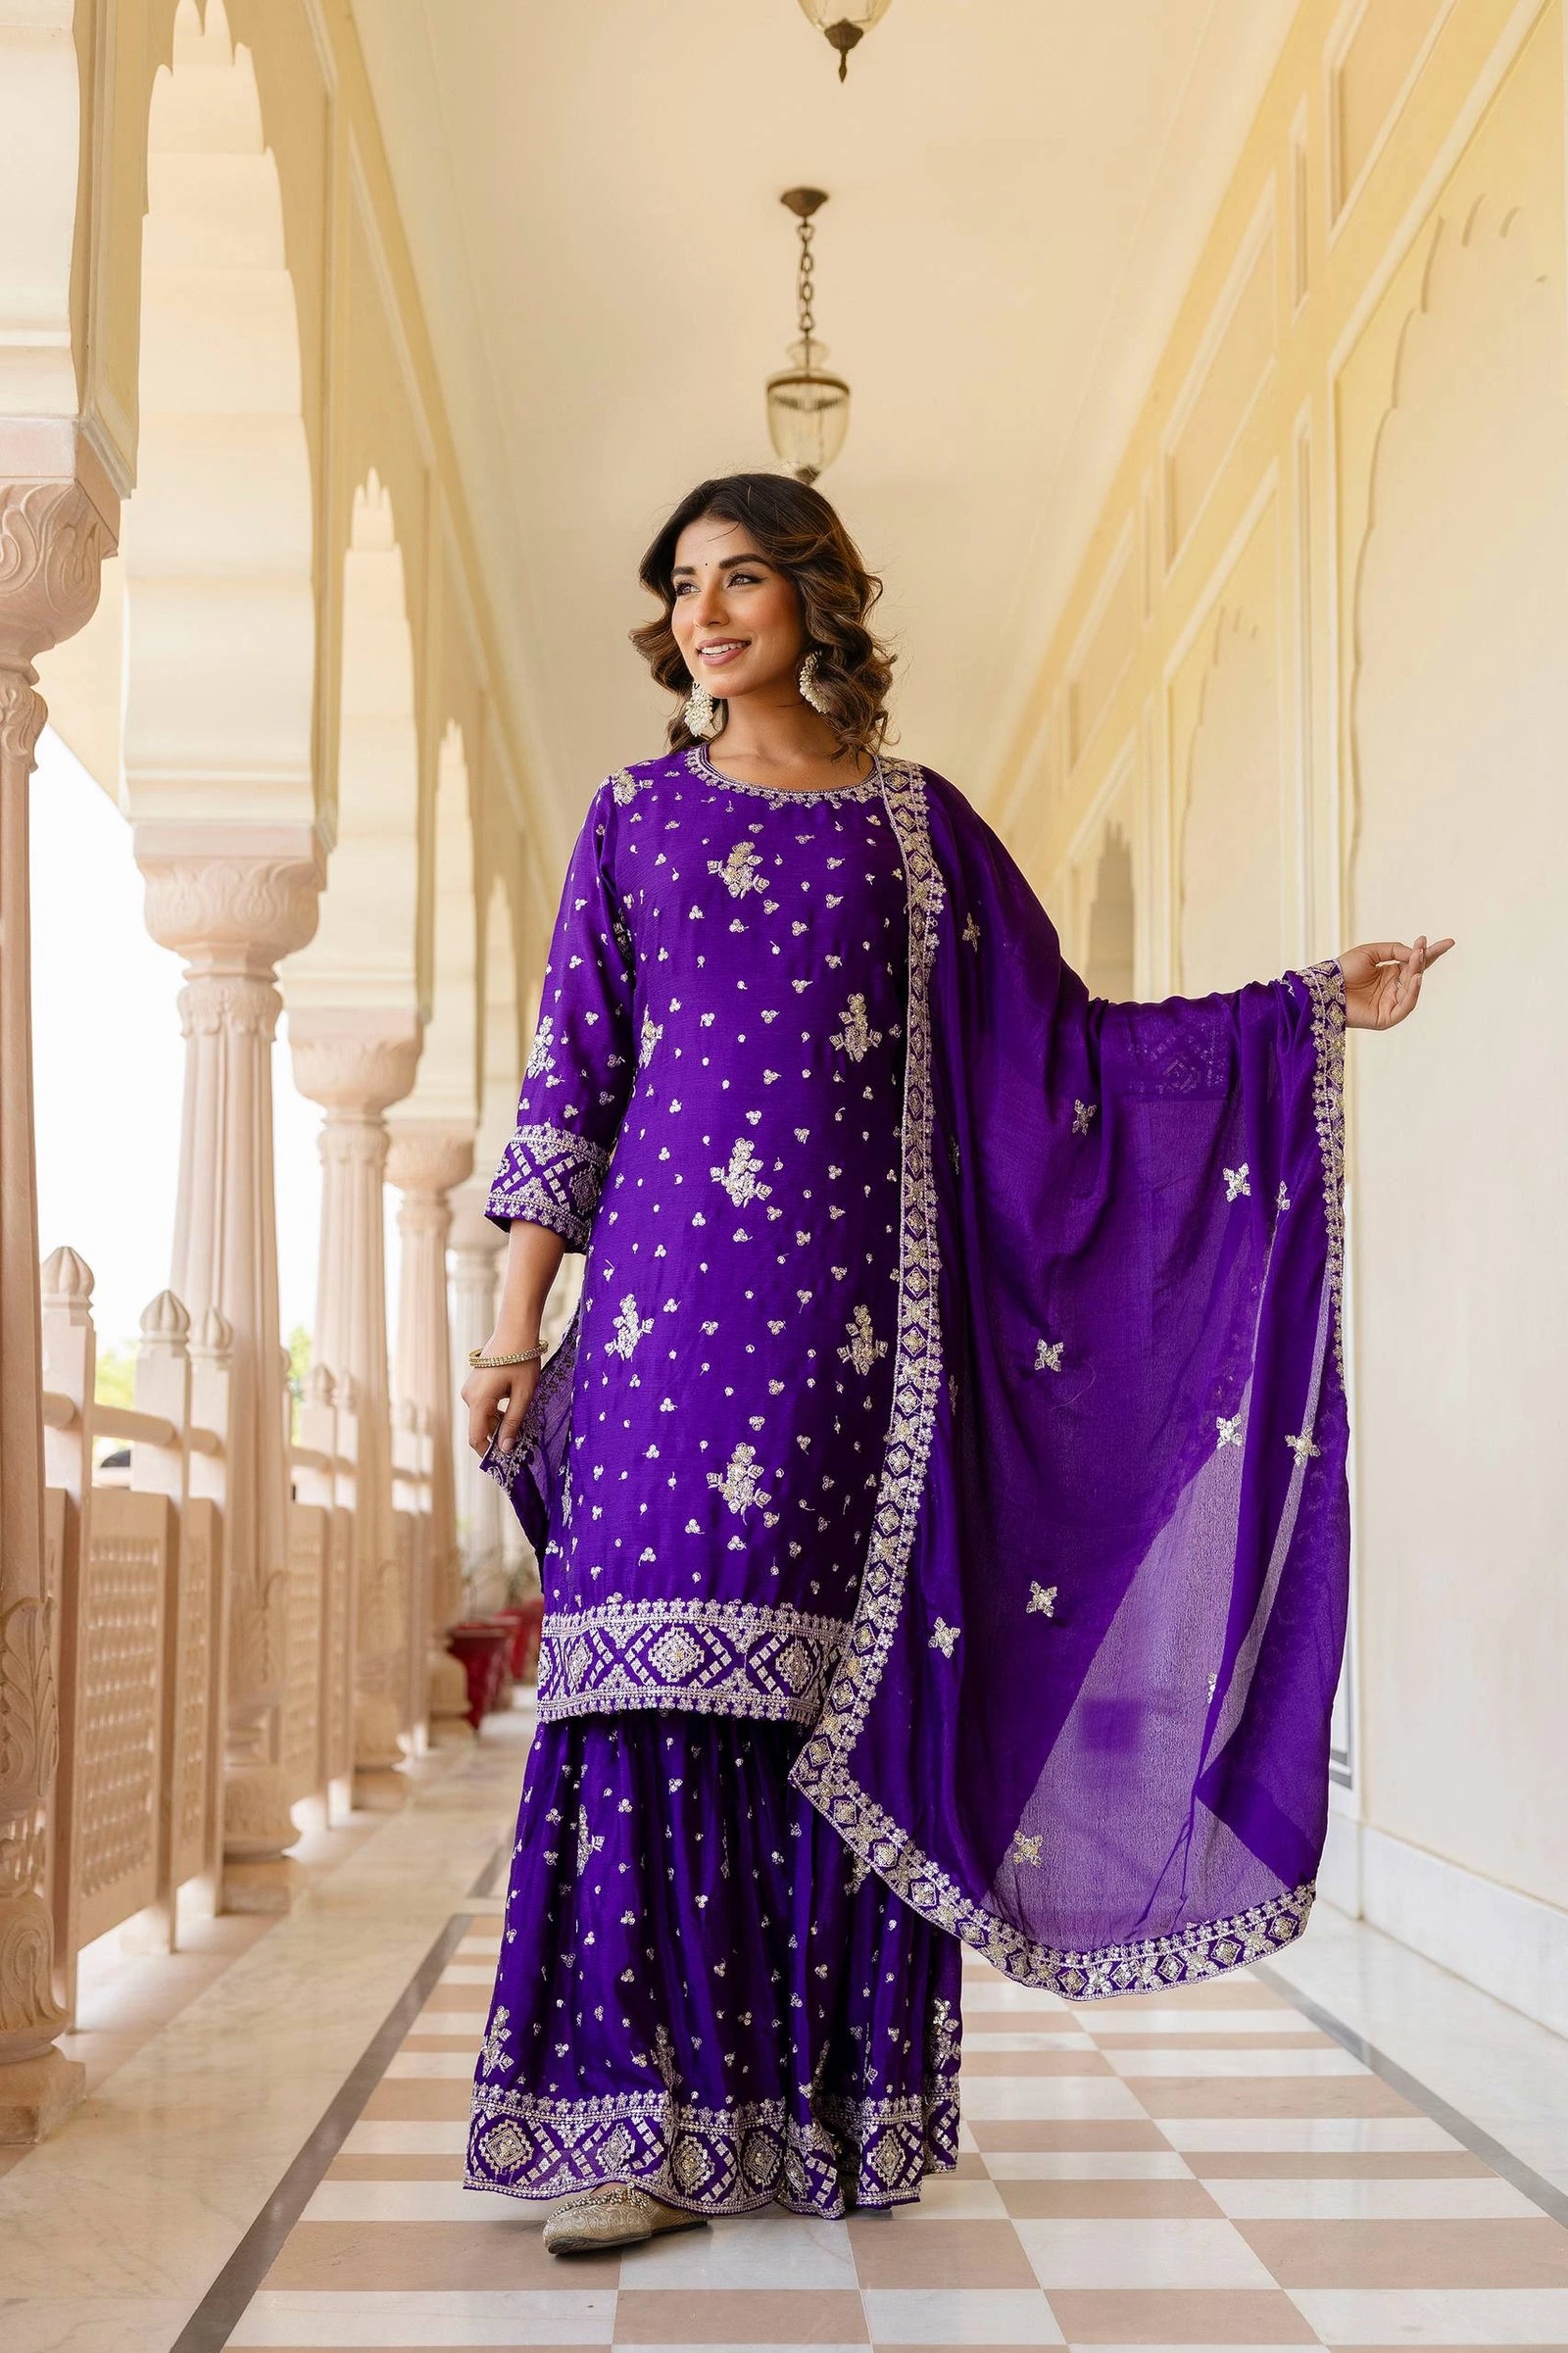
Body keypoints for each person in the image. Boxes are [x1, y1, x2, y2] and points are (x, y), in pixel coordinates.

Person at [459, 471, 1451, 2256]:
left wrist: (1302, 1006)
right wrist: (511, 1328)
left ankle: (819, 2112)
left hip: (853, 1350)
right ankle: (635, 2127)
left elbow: (1071, 1055)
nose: (704, 612)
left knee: (826, 1703)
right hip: (662, 1332)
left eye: (740, 577)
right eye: (683, 584)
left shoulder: (917, 831)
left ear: (815, 597)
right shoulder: (631, 819)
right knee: (645, 1686)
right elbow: (569, 1091)